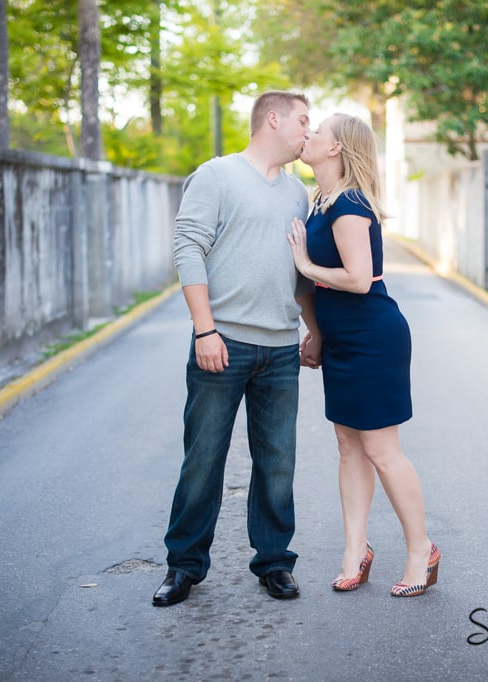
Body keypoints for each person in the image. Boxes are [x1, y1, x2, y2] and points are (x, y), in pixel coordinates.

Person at [153, 91, 319, 607]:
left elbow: (300, 275)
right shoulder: (216, 176)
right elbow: (188, 248)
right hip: (221, 344)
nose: (308, 133)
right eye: (303, 121)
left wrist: (312, 330)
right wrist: (205, 331)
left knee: (278, 462)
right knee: (203, 459)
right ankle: (183, 567)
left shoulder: (299, 194)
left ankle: (274, 563)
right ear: (273, 119)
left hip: (280, 350)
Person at [286, 113, 439, 597]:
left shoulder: (349, 203)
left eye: (317, 132)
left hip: (373, 337)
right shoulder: (320, 202)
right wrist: (317, 333)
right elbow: (319, 290)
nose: (307, 136)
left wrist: (305, 264)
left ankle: (422, 551)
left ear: (335, 149)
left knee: (381, 450)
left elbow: (356, 277)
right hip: (343, 340)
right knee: (348, 446)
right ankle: (356, 551)